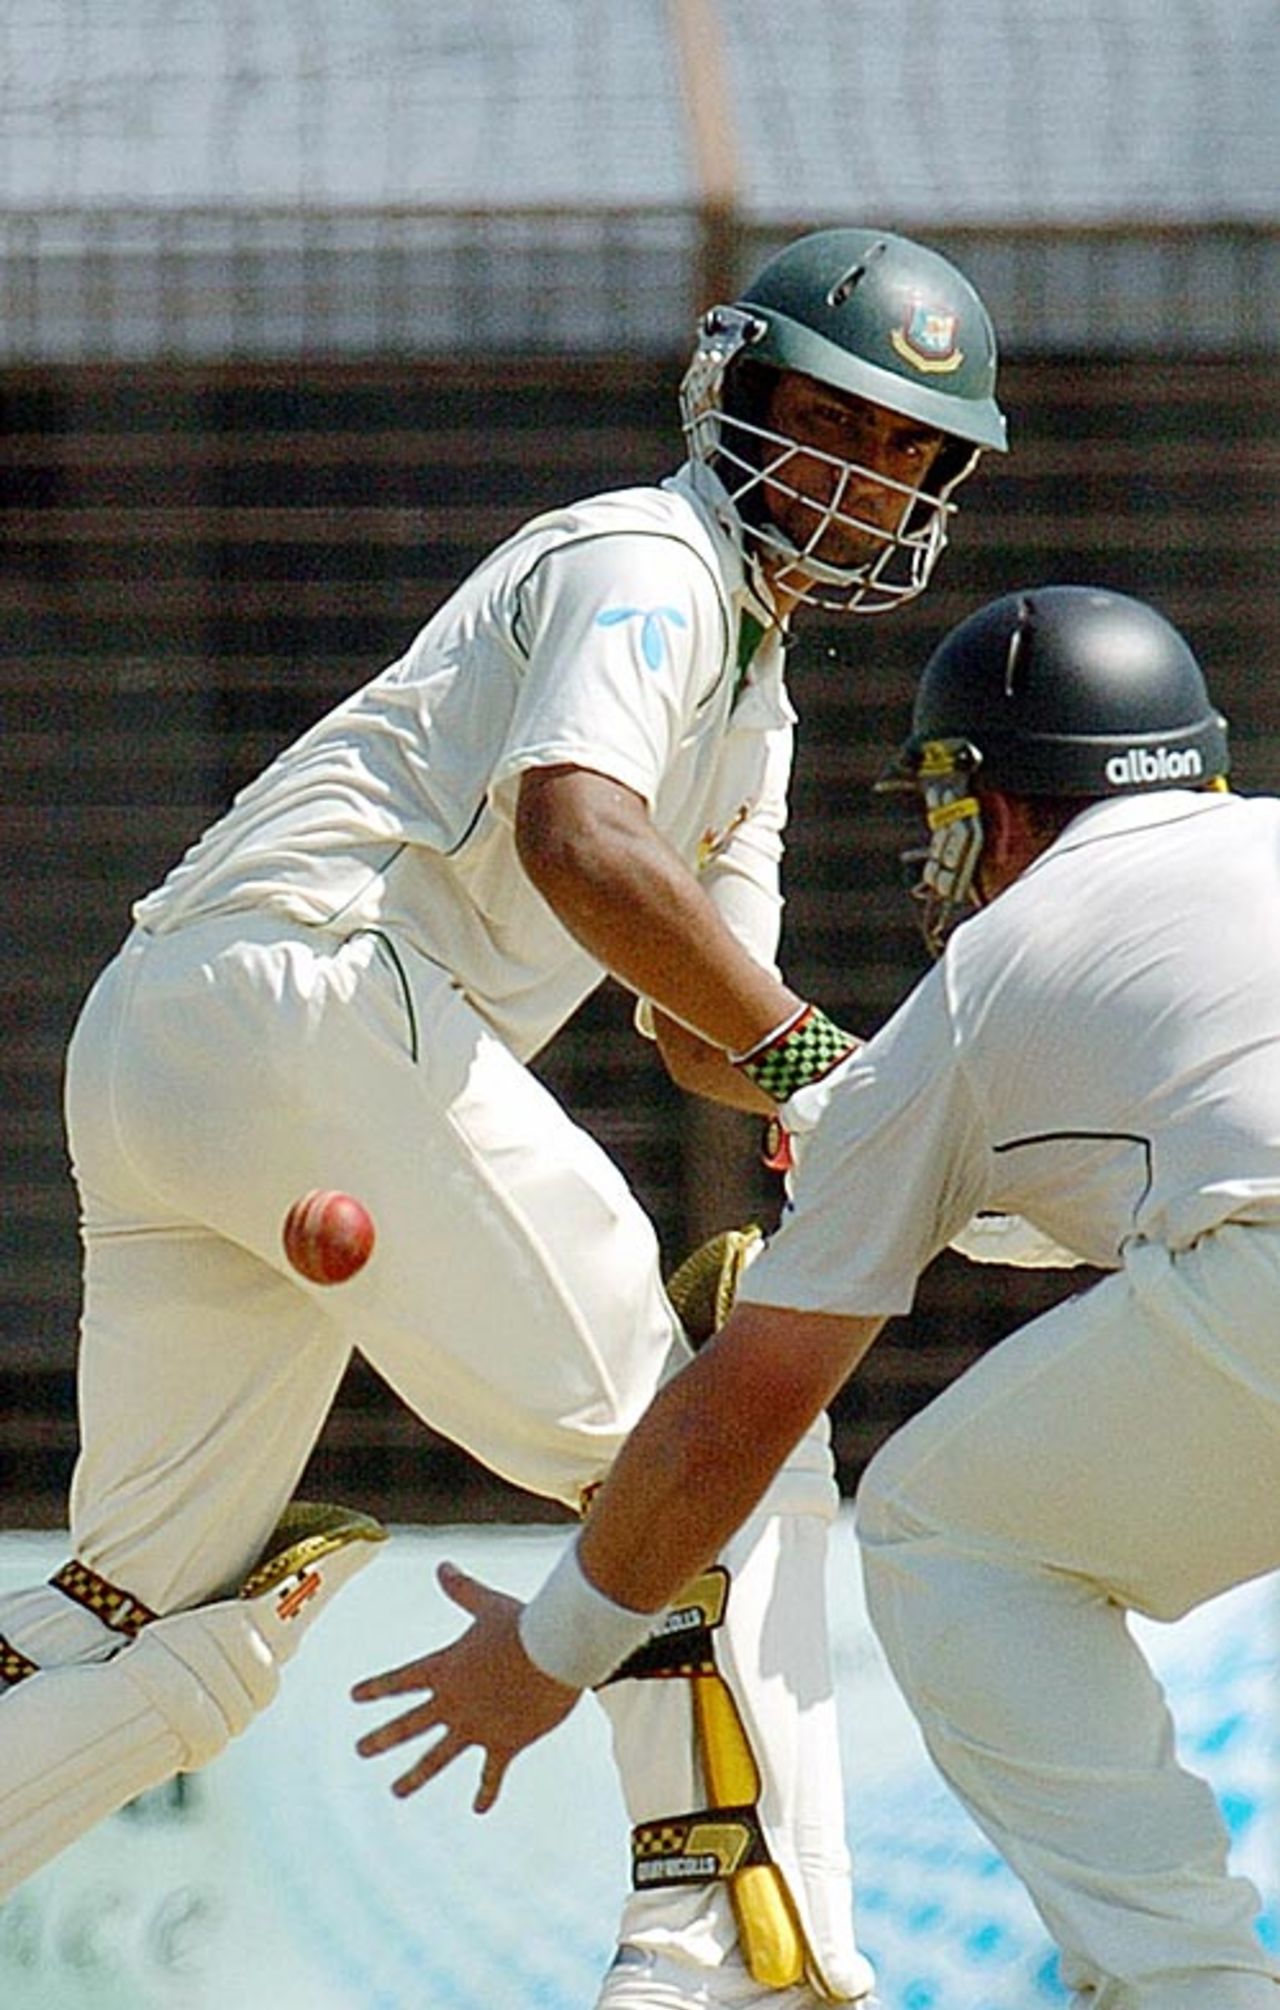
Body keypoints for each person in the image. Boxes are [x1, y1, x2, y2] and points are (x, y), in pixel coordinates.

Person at [0, 224, 1006, 2008]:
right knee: (716, 1432)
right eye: (828, 418)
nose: (862, 472)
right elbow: (580, 839)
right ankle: (728, 1963)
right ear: (737, 395)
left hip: (175, 1046)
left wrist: (853, 1089)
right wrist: (816, 1071)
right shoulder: (652, 559)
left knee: (158, 1628)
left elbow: (702, 1018)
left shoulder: (751, 694)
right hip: (314, 1004)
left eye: (906, 449)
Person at [354, 585, 1280, 2010]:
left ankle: (1187, 1984)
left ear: (999, 811)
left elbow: (750, 1401)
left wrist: (549, 1653)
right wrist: (869, 1134)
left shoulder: (990, 977)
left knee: (945, 1526)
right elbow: (1134, 1178)